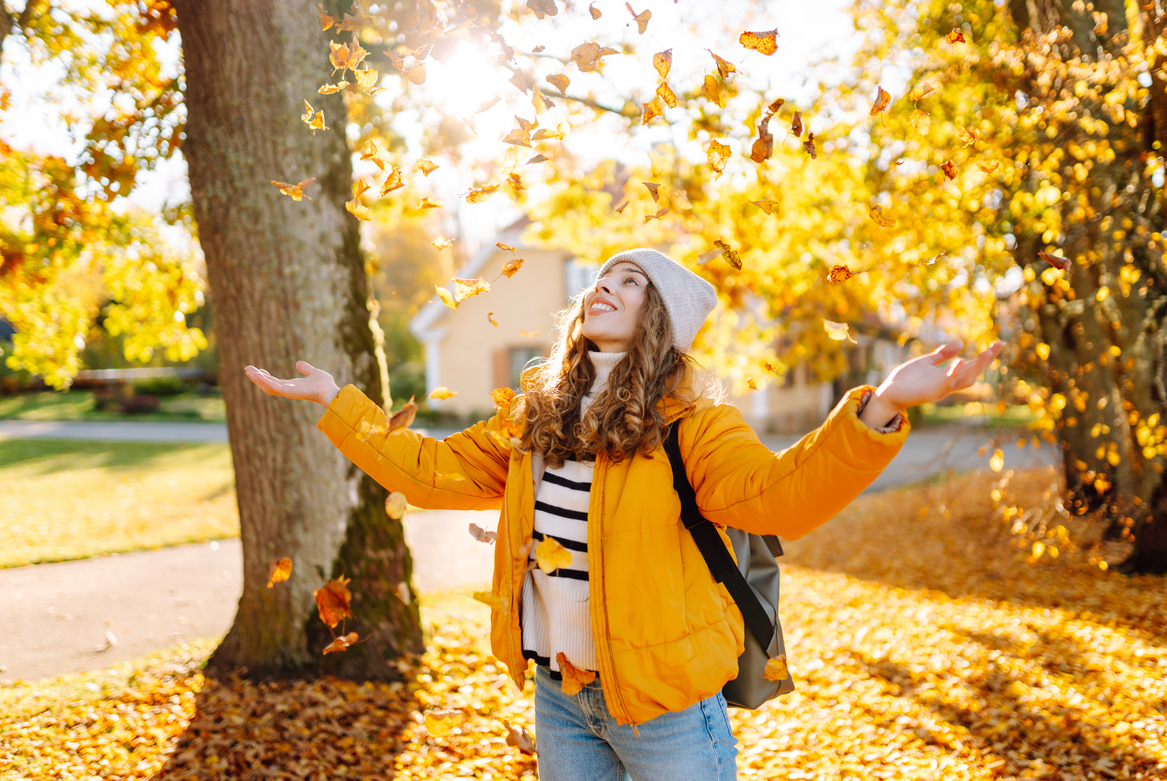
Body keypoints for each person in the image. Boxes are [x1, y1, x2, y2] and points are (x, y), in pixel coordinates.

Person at [245, 248, 1004, 780]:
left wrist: (882, 405)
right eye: (603, 277)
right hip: (560, 695)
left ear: (659, 321)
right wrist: (337, 404)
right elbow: (434, 470)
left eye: (631, 282)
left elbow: (781, 496)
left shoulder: (692, 422)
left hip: (666, 703)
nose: (604, 286)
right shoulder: (535, 415)